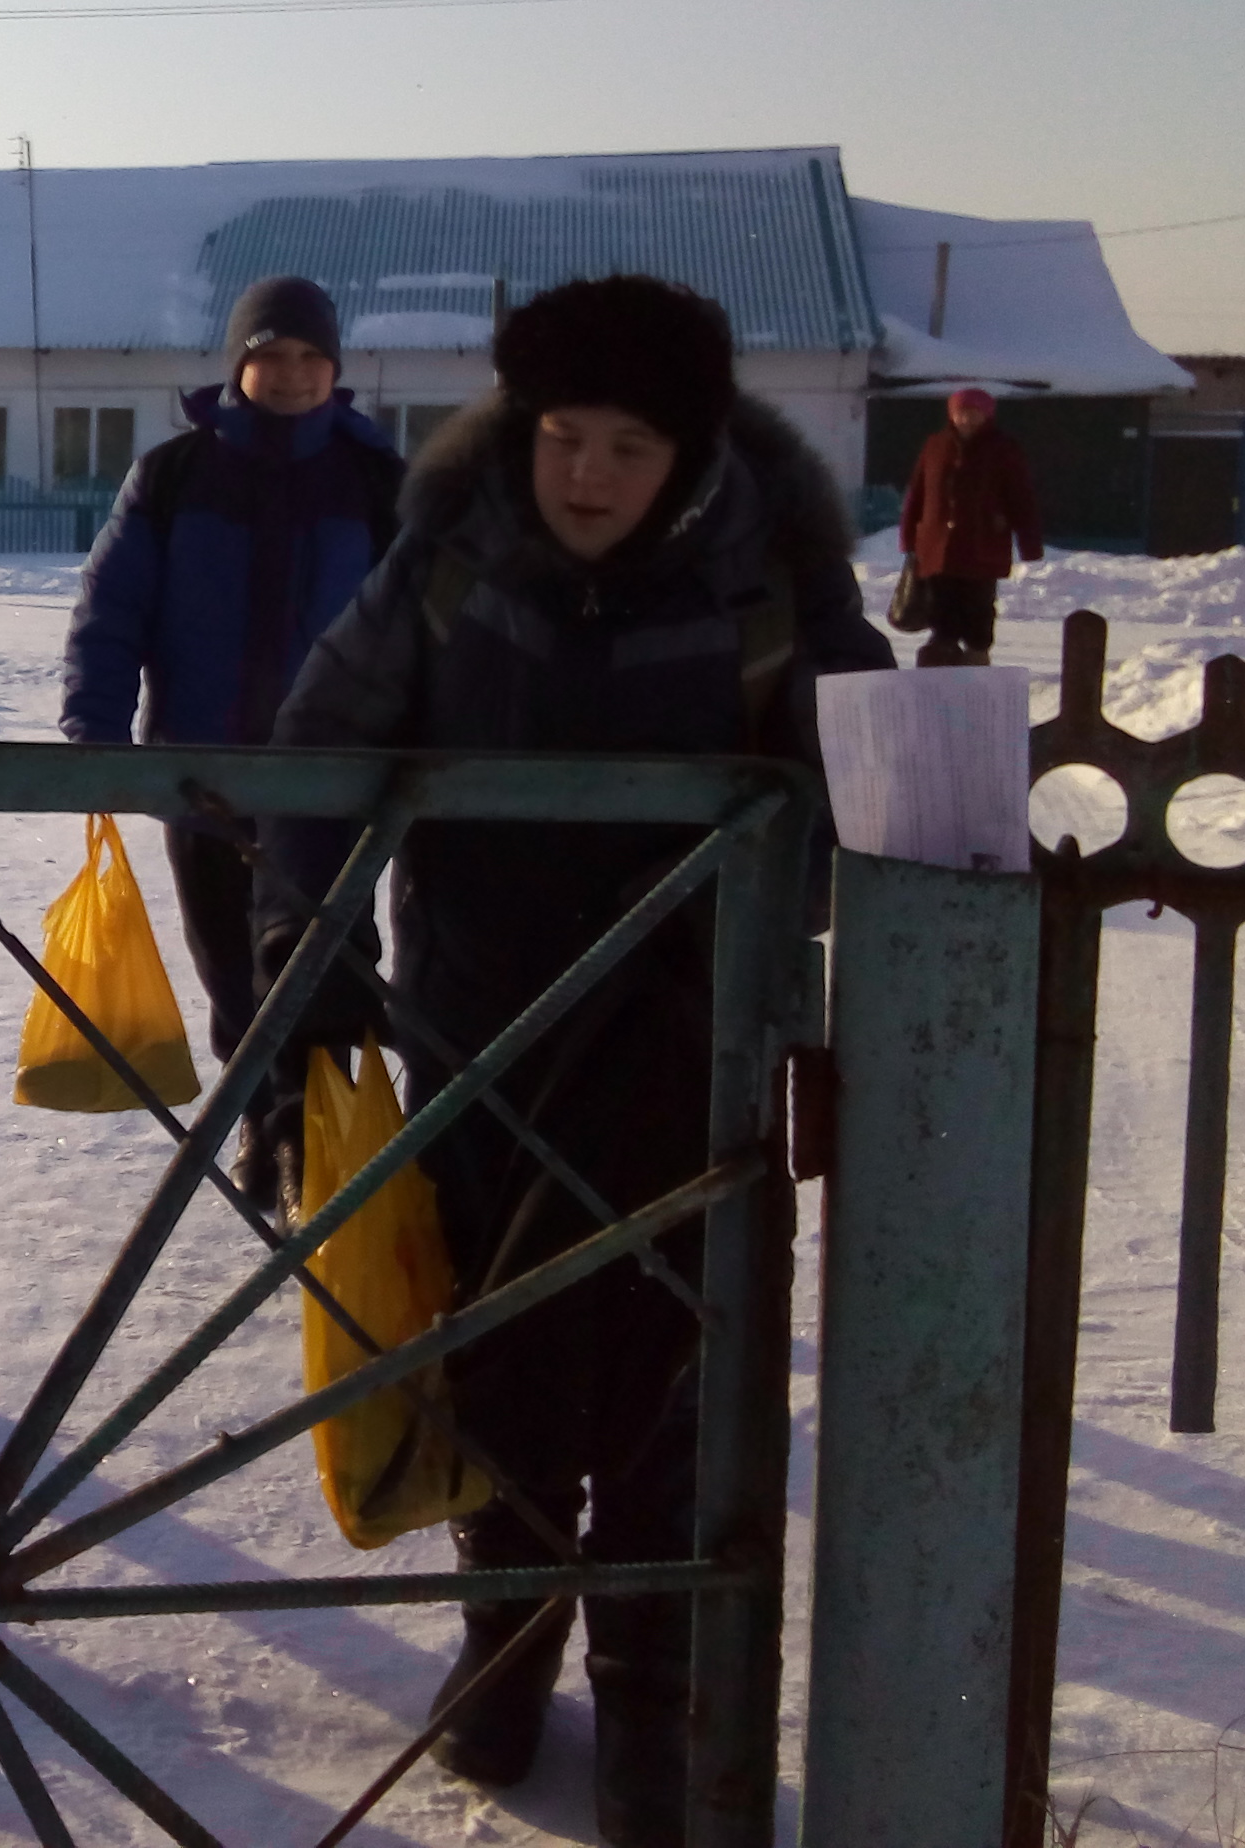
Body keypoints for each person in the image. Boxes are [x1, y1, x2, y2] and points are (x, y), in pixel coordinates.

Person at [256, 275, 890, 1848]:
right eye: (562, 436)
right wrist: (312, 967)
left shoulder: (772, 576)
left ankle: (654, 1698)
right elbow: (323, 748)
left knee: (677, 1375)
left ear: (689, 454)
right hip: (480, 1036)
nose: (587, 474)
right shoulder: (450, 557)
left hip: (692, 1050)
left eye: (627, 446)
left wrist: (782, 907)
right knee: (501, 1352)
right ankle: (510, 1638)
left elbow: (868, 789)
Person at [59, 275, 404, 1209]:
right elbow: (112, 612)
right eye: (271, 356)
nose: (291, 374)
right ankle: (260, 1117)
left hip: (330, 783)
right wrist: (95, 731)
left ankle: (317, 1143)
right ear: (237, 366)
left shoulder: (376, 482)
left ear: (334, 368)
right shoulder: (176, 476)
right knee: (230, 970)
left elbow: (421, 626)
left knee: (323, 964)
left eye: (310, 357)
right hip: (201, 772)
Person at [899, 385, 1042, 666]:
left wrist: (1030, 543)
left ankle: (977, 653)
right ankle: (942, 651)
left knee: (979, 602)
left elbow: (1021, 496)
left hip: (983, 543)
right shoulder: (936, 445)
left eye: (973, 413)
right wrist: (908, 536)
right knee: (940, 601)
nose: (966, 419)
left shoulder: (1003, 448)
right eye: (961, 413)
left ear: (987, 415)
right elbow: (917, 493)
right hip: (938, 543)